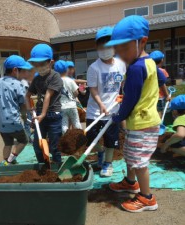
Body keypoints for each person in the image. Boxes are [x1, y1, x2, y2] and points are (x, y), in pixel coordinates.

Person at [106, 15, 167, 212]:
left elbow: (131, 99)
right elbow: (159, 79)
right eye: (118, 49)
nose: (120, 54)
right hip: (144, 121)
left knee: (139, 162)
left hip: (142, 122)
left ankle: (147, 198)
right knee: (131, 155)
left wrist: (118, 116)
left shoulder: (135, 68)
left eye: (124, 48)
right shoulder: (150, 63)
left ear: (142, 42)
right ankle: (130, 182)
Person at [86, 26, 126, 177]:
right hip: (94, 111)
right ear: (97, 47)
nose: (105, 49)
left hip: (113, 111)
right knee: (91, 138)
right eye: (101, 46)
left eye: (108, 46)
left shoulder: (121, 65)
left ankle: (107, 164)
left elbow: (122, 85)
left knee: (111, 140)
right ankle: (100, 152)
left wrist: (123, 96)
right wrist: (101, 104)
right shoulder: (94, 68)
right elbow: (93, 90)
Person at [0, 55, 29, 166]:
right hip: (13, 120)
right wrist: (25, 118)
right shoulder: (19, 85)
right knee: (24, 141)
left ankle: (6, 161)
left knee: (8, 143)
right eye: (22, 70)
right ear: (15, 70)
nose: (24, 73)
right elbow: (23, 104)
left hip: (0, 122)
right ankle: (10, 160)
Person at [26, 44, 63, 163]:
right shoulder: (36, 79)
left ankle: (57, 166)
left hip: (53, 115)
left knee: (54, 145)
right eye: (36, 65)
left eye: (42, 64)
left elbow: (48, 95)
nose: (39, 67)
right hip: (40, 117)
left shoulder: (55, 76)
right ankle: (42, 167)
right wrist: (31, 110)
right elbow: (27, 95)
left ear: (51, 62)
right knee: (37, 145)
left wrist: (42, 114)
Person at [54, 60, 82, 134]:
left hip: (62, 107)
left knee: (64, 125)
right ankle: (79, 138)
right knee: (76, 123)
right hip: (72, 106)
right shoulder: (70, 80)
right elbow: (76, 92)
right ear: (66, 70)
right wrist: (73, 97)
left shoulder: (55, 81)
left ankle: (66, 139)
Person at [150, 50, 170, 116]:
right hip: (160, 96)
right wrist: (167, 95)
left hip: (150, 95)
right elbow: (163, 84)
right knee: (159, 112)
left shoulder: (148, 70)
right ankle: (159, 125)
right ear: (162, 60)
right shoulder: (162, 71)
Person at [20, 62, 34, 143]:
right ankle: (28, 138)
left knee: (29, 121)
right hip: (25, 105)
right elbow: (25, 95)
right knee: (27, 122)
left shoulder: (25, 81)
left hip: (27, 104)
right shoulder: (23, 82)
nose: (30, 73)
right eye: (29, 71)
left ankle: (28, 136)